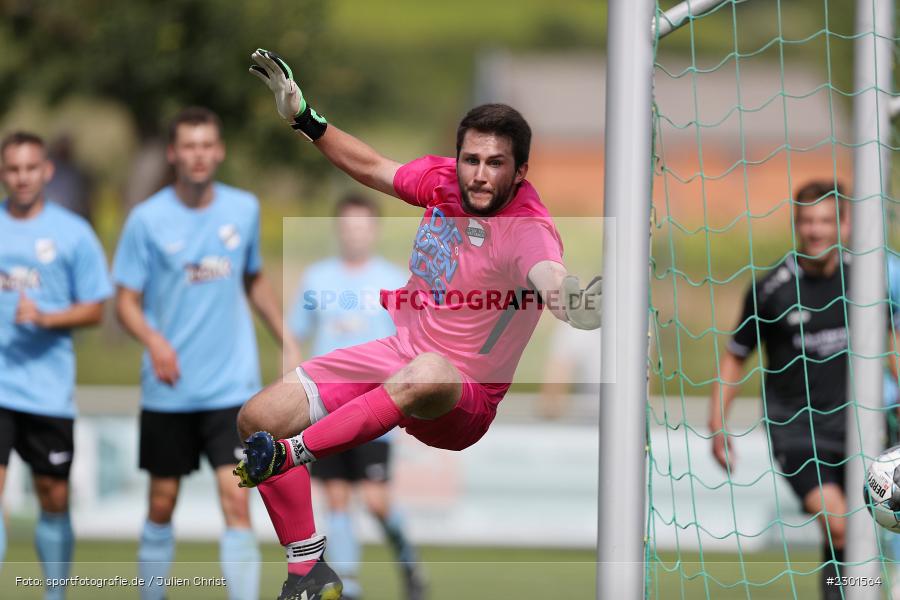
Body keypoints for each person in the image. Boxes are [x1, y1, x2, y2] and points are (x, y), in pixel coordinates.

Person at [235, 49, 603, 600]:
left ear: (520, 170)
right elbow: (372, 167)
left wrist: (574, 300)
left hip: (462, 396)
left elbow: (549, 275)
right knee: (257, 417)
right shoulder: (442, 182)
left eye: (495, 163)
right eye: (470, 159)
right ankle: (308, 568)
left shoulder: (527, 226)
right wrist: (306, 120)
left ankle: (297, 453)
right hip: (396, 356)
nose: (478, 174)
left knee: (427, 370)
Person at [112, 107, 300, 600]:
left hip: (230, 390)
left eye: (207, 145)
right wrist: (154, 341)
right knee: (162, 501)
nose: (199, 155)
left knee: (236, 502)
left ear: (219, 151)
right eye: (188, 146)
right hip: (169, 389)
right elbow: (125, 301)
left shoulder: (243, 209)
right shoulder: (146, 220)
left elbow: (253, 277)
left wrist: (286, 338)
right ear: (173, 154)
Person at [707, 180, 852, 600]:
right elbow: (736, 356)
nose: (816, 231)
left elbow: (891, 339)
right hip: (797, 430)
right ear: (796, 225)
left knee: (848, 532)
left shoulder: (863, 280)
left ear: (844, 225)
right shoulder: (772, 290)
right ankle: (870, 588)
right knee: (839, 521)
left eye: (825, 220)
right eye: (807, 221)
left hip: (860, 427)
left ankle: (846, 593)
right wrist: (718, 423)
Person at [290, 193, 426, 600]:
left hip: (376, 410)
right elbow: (294, 335)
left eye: (363, 225)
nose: (355, 234)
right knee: (336, 500)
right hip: (327, 410)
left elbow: (412, 343)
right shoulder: (317, 278)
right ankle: (349, 587)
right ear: (338, 229)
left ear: (375, 230)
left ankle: (408, 561)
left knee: (377, 501)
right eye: (348, 226)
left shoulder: (392, 281)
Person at [0, 131, 112, 599]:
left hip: (47, 391)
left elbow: (96, 308)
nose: (22, 177)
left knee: (54, 498)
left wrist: (46, 317)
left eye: (31, 168)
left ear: (46, 171)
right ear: (3, 174)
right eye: (12, 169)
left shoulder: (74, 234)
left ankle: (55, 593)